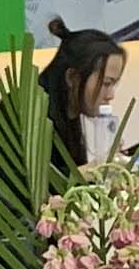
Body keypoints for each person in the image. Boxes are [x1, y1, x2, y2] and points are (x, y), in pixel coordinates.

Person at [43, 22, 129, 171]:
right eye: (106, 83)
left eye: (113, 85)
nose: (110, 96)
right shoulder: (31, 115)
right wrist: (92, 170)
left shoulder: (68, 118)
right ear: (72, 77)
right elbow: (37, 182)